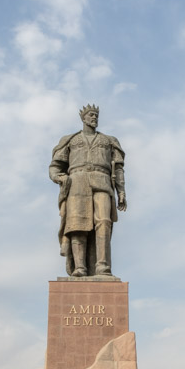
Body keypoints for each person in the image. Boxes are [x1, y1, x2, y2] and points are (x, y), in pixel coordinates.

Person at [49, 104, 126, 277]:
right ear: (83, 118)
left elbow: (119, 168)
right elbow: (55, 166)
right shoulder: (70, 140)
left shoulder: (109, 140)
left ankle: (102, 266)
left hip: (102, 180)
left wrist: (121, 191)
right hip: (77, 182)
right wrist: (59, 177)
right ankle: (80, 267)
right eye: (91, 115)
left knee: (104, 221)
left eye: (96, 116)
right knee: (77, 225)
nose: (94, 118)